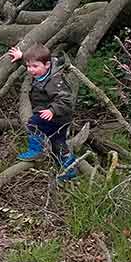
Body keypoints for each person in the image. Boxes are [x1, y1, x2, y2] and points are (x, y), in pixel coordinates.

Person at [8, 42, 77, 181]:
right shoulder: (43, 70)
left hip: (57, 116)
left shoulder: (54, 80)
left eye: (34, 66)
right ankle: (67, 169)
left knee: (33, 124)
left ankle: (36, 151)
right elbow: (34, 64)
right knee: (58, 143)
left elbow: (66, 99)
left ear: (47, 65)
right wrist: (22, 57)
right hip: (50, 114)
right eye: (28, 66)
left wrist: (53, 110)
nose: (30, 70)